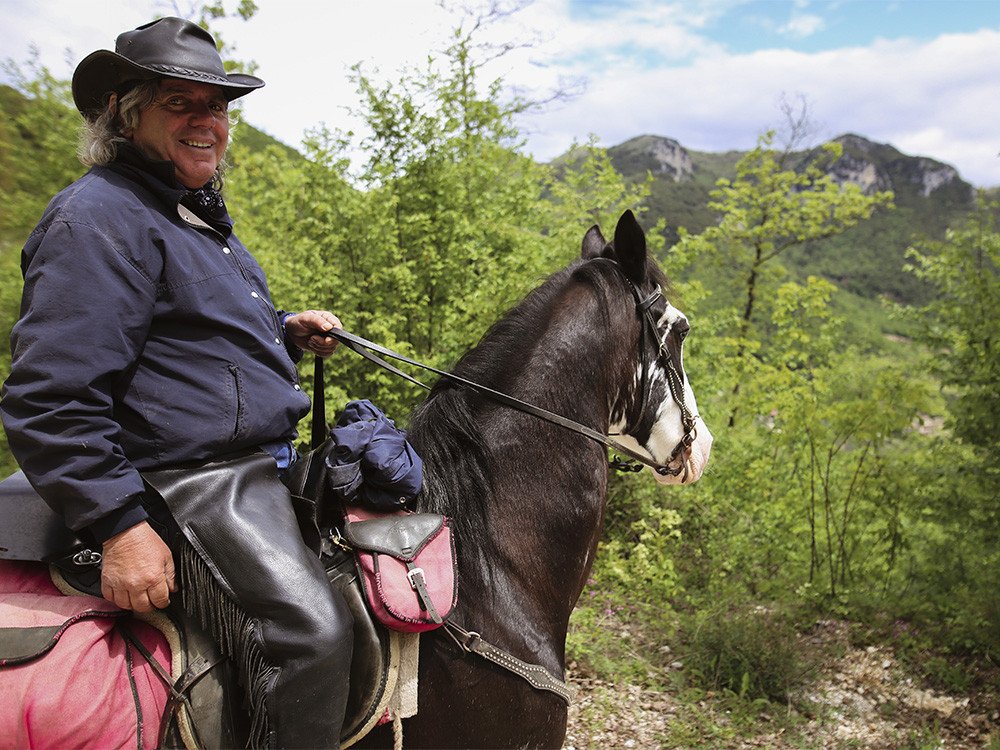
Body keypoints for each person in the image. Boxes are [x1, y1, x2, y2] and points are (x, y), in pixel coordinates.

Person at [0, 17, 352, 749]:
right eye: (179, 103)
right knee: (311, 633)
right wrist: (120, 524)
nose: (206, 121)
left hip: (245, 465)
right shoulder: (98, 217)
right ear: (123, 118)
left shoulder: (184, 216)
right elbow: (50, 396)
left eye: (216, 105)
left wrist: (282, 333)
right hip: (184, 478)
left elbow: (184, 335)